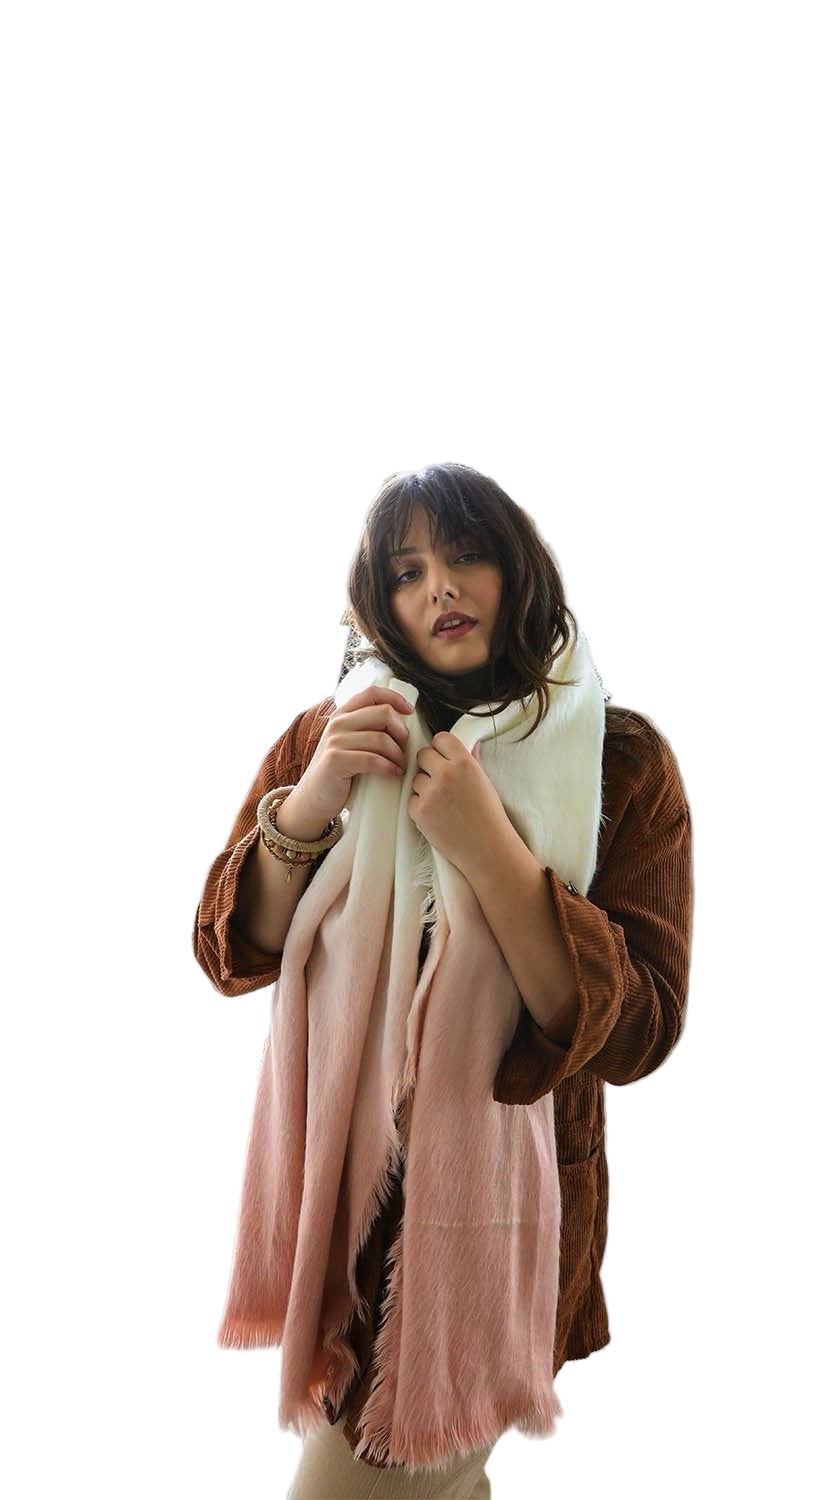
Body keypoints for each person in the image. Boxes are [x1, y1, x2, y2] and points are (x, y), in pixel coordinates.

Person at [193, 461, 694, 1497]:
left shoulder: (622, 759)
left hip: (499, 1228)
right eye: (408, 570)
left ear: (519, 570)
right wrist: (311, 802)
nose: (441, 588)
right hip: (343, 1210)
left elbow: (640, 1029)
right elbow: (230, 951)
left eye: (467, 555)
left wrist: (492, 852)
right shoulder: (336, 729)